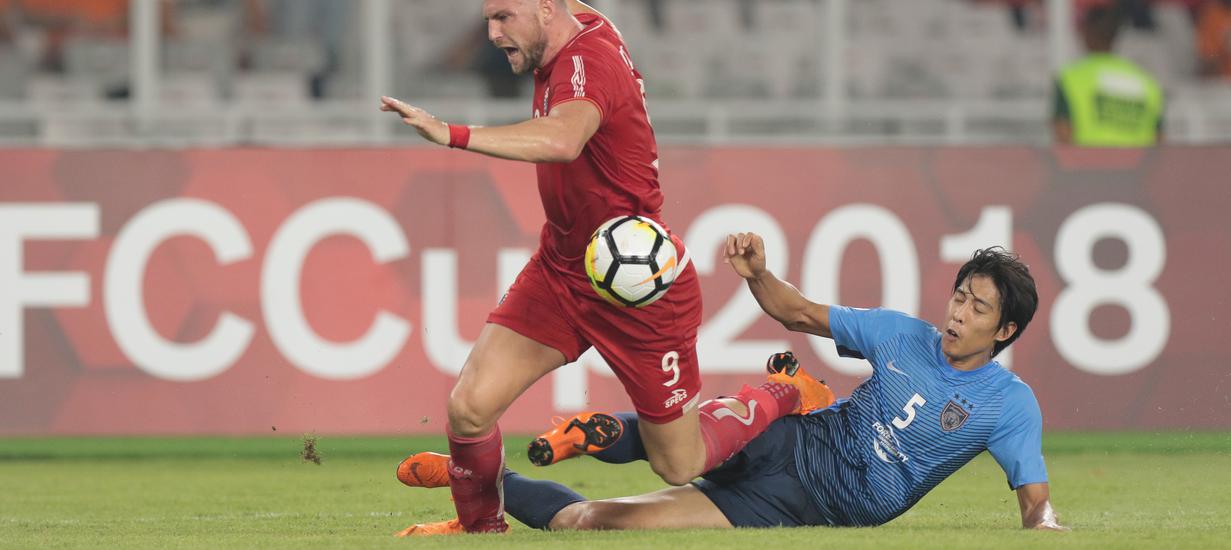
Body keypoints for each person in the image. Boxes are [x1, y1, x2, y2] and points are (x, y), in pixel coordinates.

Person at [379, 0, 832, 536]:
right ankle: (481, 527)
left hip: (640, 284)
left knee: (679, 462)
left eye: (503, 17)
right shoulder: (580, 24)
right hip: (566, 266)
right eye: (489, 18)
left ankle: (783, 394)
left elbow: (563, 139)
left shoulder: (585, 68)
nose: (492, 34)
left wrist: (451, 132)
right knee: (470, 407)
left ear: (542, 12)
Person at [399, 240, 1068, 533]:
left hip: (796, 505)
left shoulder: (1009, 407)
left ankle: (485, 483)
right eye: (958, 296)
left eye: (977, 309)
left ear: (1004, 328)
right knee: (686, 441)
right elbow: (799, 311)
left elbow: (1033, 501)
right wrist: (756, 275)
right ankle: (596, 433)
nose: (957, 313)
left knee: (589, 521)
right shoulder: (900, 333)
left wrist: (1043, 527)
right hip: (787, 444)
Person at [1053, 4, 1165, 146]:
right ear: (1115, 36)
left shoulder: (1070, 78)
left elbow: (1063, 133)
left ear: (1086, 33)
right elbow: (1159, 141)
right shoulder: (1147, 82)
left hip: (1087, 165)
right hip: (1138, 167)